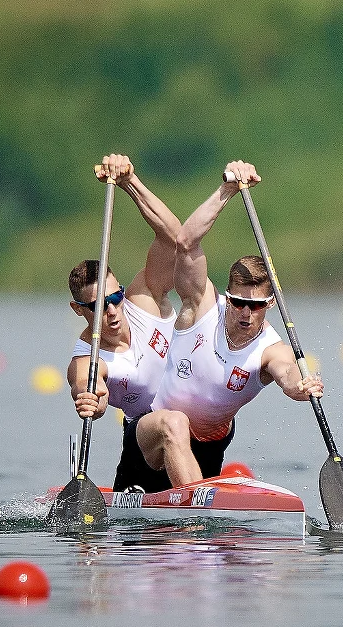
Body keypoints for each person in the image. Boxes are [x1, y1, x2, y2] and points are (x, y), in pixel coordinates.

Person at [140, 160, 323, 488]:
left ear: (269, 304)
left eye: (255, 306)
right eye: (237, 302)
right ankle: (197, 512)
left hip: (210, 446)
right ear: (228, 296)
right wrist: (226, 190)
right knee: (175, 423)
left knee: (187, 435)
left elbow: (288, 372)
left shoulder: (270, 349)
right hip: (152, 435)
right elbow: (185, 243)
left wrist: (301, 385)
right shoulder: (202, 305)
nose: (245, 313)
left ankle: (197, 507)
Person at [66, 153, 183, 492]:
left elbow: (174, 239)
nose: (114, 311)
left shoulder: (144, 299)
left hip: (198, 425)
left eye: (115, 298)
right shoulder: (86, 360)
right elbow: (93, 396)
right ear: (78, 309)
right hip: (145, 444)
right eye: (99, 306)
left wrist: (132, 182)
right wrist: (90, 400)